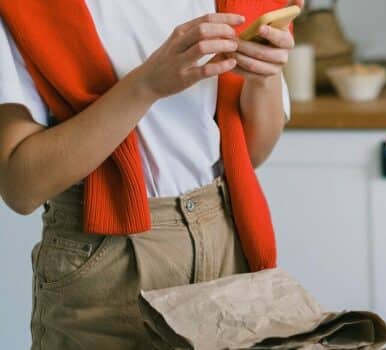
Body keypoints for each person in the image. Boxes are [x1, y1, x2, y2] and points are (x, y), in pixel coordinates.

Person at [0, 0, 303, 348]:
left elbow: (249, 154)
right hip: (106, 259)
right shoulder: (24, 8)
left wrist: (263, 77)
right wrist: (146, 85)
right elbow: (21, 187)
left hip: (226, 241)